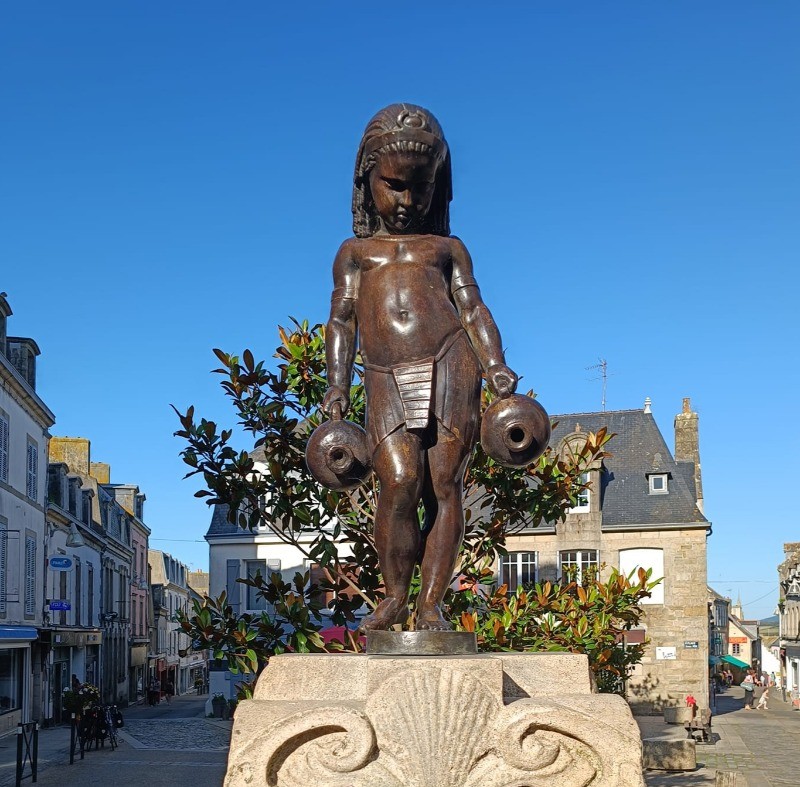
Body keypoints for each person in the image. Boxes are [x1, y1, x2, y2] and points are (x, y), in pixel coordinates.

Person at [322, 103, 518, 631]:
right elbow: (341, 321)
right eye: (394, 186)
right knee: (400, 483)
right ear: (368, 183)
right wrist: (336, 385)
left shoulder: (447, 248)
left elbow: (473, 309)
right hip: (385, 371)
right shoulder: (354, 253)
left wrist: (495, 365)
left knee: (445, 484)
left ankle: (431, 604)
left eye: (420, 188)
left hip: (451, 360)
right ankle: (393, 598)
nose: (407, 201)